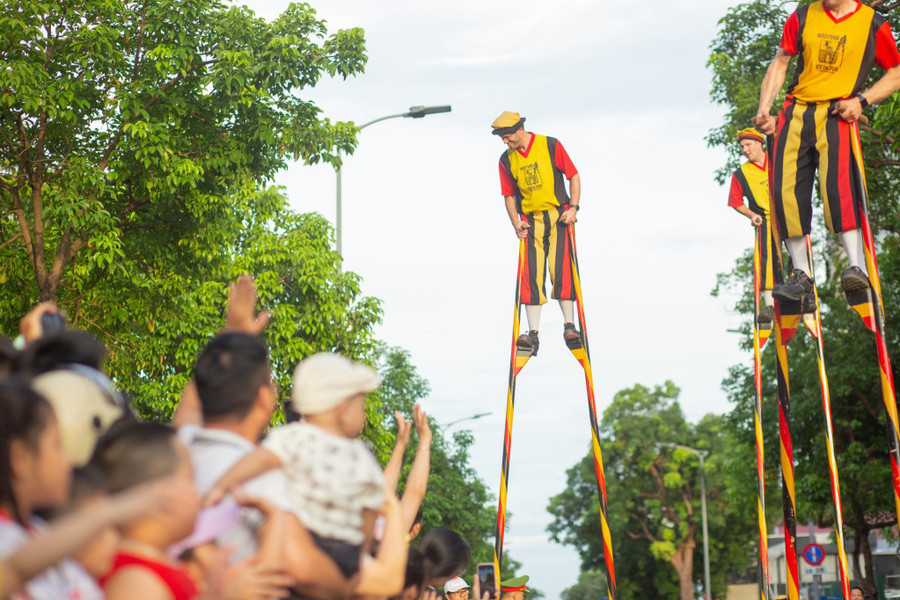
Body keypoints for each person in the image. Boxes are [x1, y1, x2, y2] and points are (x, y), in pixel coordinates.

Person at [754, 0, 900, 309]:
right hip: (796, 111)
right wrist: (764, 108)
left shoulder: (872, 23)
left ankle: (856, 267)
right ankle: (801, 277)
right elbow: (781, 62)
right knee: (786, 193)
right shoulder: (804, 16)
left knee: (838, 187)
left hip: (839, 110)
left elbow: (896, 71)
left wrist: (862, 101)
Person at [206, 352, 386, 579]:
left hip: (303, 541)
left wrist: (221, 485)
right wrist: (361, 555)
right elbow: (369, 510)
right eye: (361, 403)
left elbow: (260, 459)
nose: (364, 411)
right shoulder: (363, 457)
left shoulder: (292, 437)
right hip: (346, 553)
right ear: (342, 408)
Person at [493, 111, 582, 354]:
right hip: (530, 222)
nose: (504, 141)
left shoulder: (550, 145)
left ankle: (570, 326)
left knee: (561, 269)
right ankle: (532, 335)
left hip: (558, 218)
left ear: (519, 129)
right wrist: (515, 222)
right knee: (531, 275)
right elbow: (508, 195)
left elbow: (573, 175)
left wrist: (573, 208)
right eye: (501, 137)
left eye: (506, 135)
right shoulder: (506, 160)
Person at [727, 127, 782, 324]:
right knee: (766, 260)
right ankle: (769, 306)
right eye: (742, 147)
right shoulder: (741, 173)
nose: (745, 150)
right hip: (765, 220)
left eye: (748, 145)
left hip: (786, 214)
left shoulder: (778, 159)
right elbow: (735, 201)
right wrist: (752, 214)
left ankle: (800, 293)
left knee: (795, 252)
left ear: (759, 143)